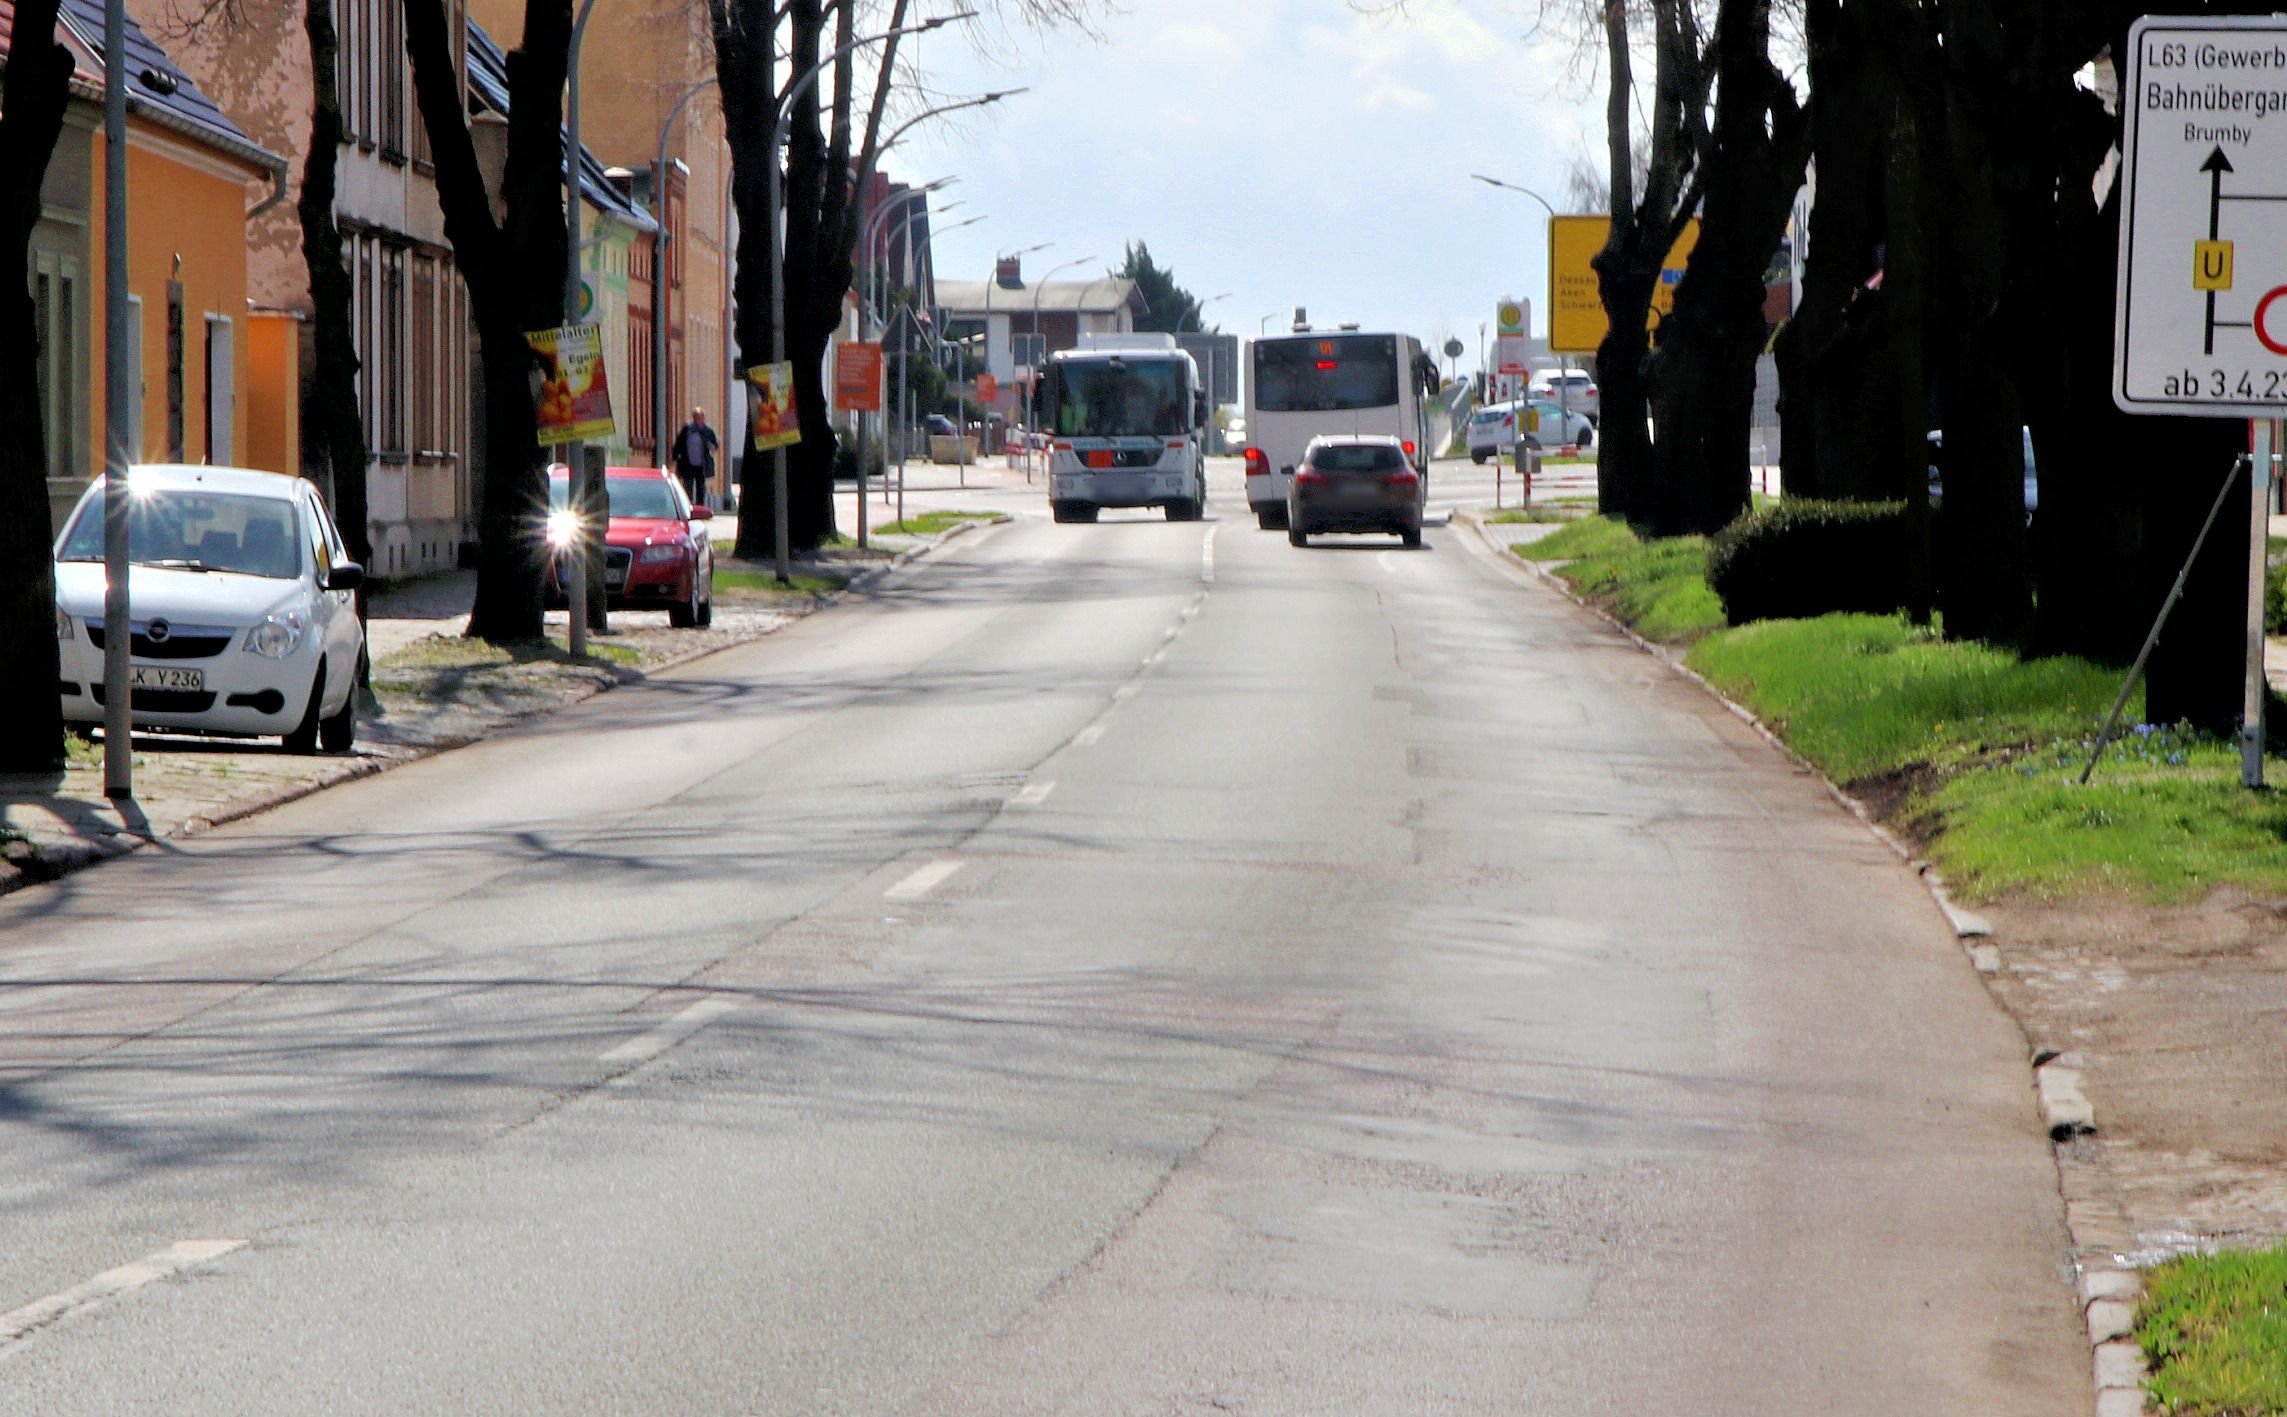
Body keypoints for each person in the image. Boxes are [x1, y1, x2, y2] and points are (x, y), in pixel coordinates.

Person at [672, 407, 718, 507]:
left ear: (703, 418)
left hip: (702, 465)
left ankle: (700, 506)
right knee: (687, 486)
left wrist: (710, 446)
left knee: (701, 487)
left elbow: (715, 445)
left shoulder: (707, 430)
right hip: (688, 463)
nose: (698, 419)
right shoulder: (687, 429)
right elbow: (679, 443)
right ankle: (688, 506)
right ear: (693, 418)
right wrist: (675, 457)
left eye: (700, 417)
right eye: (696, 417)